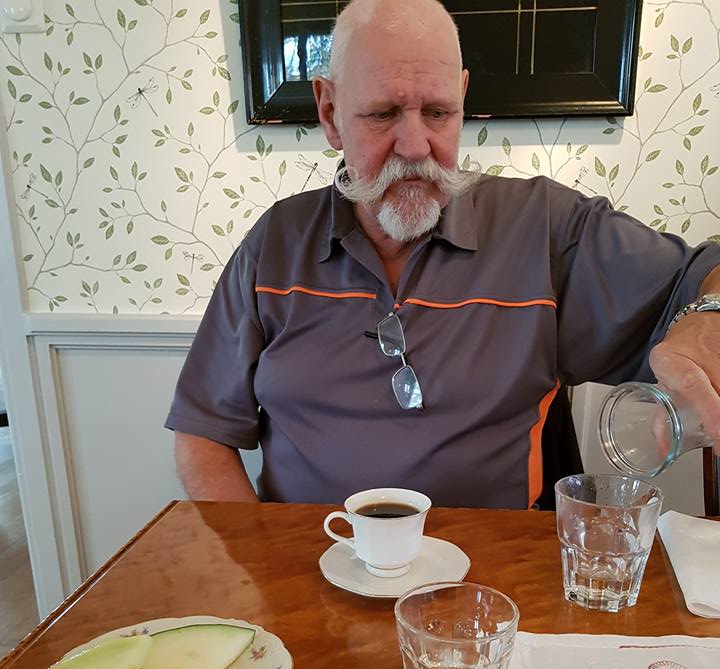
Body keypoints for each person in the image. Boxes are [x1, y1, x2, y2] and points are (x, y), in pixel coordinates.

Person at [165, 0, 720, 509]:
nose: (415, 147)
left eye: (437, 112)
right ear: (330, 112)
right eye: (382, 114)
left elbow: (706, 275)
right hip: (310, 567)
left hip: (492, 578)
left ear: (462, 97)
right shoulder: (274, 243)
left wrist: (709, 314)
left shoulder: (547, 227)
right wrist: (264, 564)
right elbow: (203, 433)